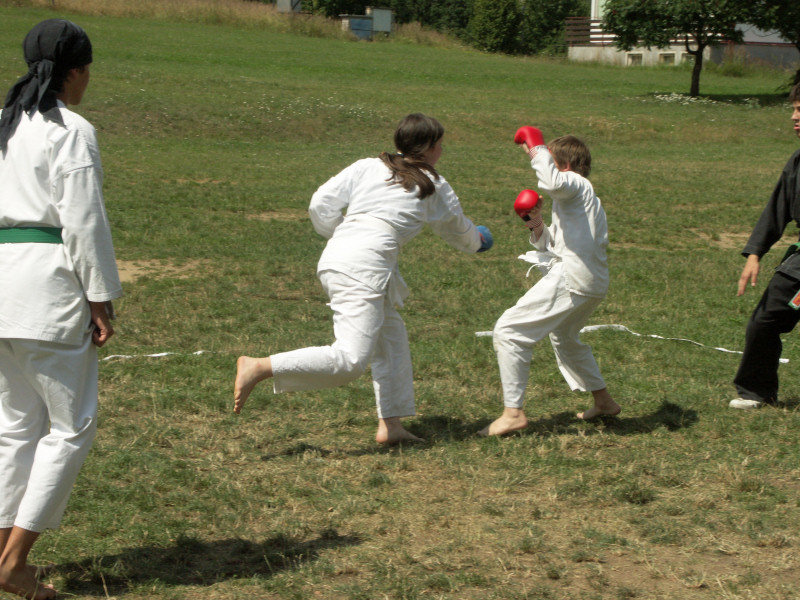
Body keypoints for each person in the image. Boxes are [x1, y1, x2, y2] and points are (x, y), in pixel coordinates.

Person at [234, 113, 492, 444]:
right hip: (363, 266)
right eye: (440, 144)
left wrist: (342, 233)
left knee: (391, 337)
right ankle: (259, 366)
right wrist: (478, 242)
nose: (442, 150)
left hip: (344, 257)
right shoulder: (433, 184)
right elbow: (457, 228)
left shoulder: (369, 166)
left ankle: (391, 425)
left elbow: (320, 203)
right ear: (428, 147)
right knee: (350, 360)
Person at [0, 19, 122, 599]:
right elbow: (83, 218)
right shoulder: (69, 130)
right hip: (45, 287)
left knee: (15, 427)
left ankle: (3, 555)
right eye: (87, 70)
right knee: (70, 428)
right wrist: (100, 298)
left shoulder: (4, 124)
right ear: (74, 72)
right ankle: (13, 563)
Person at [480, 134, 619, 436]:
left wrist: (536, 146)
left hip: (574, 278)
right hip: (591, 282)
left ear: (564, 166)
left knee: (509, 330)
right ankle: (604, 401)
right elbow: (549, 244)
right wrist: (533, 220)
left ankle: (513, 413)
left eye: (551, 164)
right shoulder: (578, 203)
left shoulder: (578, 184)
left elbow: (552, 182)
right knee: (565, 338)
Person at [730, 83, 800, 409]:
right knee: (764, 320)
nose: (794, 117)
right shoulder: (797, 161)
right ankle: (757, 392)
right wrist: (755, 252)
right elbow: (778, 208)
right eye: (794, 110)